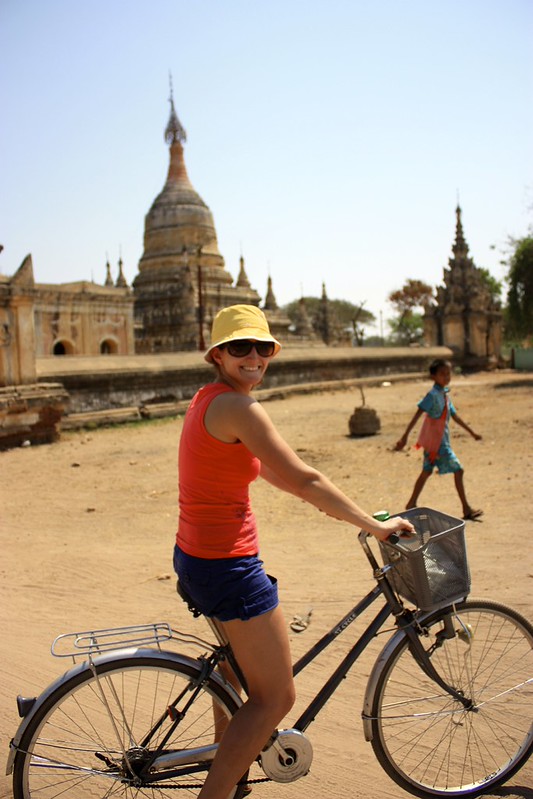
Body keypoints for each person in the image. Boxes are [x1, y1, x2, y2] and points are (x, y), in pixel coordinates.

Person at [174, 304, 414, 799]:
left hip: (197, 557)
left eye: (263, 347)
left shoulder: (208, 399)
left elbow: (260, 468)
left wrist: (326, 506)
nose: (255, 357)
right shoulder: (240, 407)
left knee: (235, 676)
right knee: (276, 697)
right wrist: (374, 525)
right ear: (218, 355)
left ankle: (232, 776)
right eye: (241, 347)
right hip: (227, 567)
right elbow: (306, 477)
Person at [395, 358, 483, 520]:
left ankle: (411, 503)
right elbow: (417, 414)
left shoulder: (444, 394)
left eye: (448, 373)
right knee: (458, 469)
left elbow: (455, 416)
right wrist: (404, 437)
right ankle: (466, 509)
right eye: (442, 374)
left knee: (426, 472)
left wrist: (472, 433)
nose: (446, 376)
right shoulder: (433, 395)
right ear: (433, 376)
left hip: (435, 443)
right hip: (438, 444)